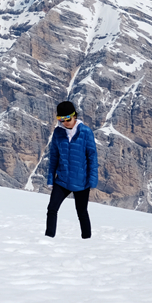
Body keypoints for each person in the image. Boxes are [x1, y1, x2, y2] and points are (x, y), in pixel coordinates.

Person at [45, 100, 98, 239]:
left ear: (74, 115)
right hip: (62, 180)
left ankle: (87, 240)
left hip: (81, 181)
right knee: (52, 209)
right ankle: (48, 238)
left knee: (81, 212)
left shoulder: (85, 132)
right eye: (60, 119)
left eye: (67, 118)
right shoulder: (58, 133)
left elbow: (92, 156)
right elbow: (54, 157)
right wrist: (51, 179)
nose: (64, 122)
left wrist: (92, 180)